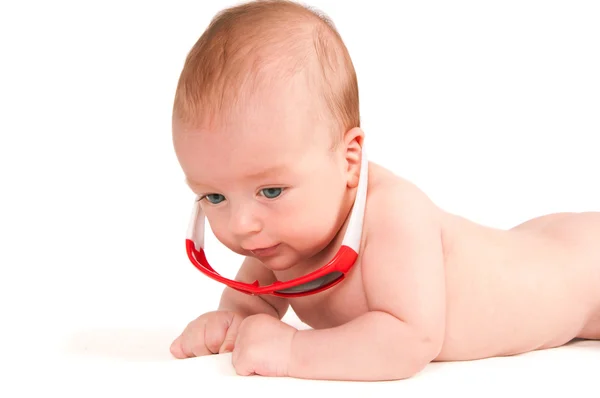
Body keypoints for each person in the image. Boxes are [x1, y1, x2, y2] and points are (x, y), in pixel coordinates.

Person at [169, 0, 600, 381]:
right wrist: (227, 323)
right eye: (215, 198)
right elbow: (251, 308)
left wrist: (291, 351)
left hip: (584, 273)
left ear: (349, 160)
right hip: (543, 243)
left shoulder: (394, 217)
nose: (242, 225)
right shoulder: (280, 242)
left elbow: (410, 339)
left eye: (273, 190)